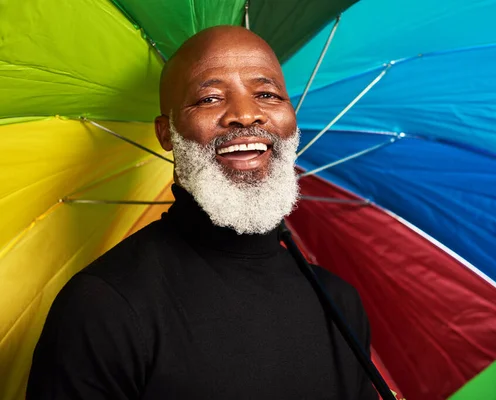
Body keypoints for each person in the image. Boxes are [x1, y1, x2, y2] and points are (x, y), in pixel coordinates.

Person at [27, 26, 378, 400]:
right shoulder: (103, 307)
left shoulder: (339, 303)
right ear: (167, 133)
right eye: (209, 98)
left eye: (266, 94)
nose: (245, 114)